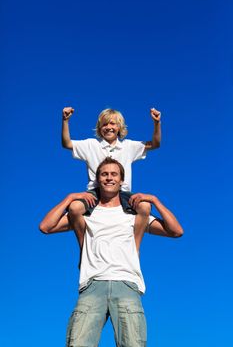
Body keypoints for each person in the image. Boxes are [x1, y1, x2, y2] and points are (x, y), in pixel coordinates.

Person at [39, 157, 183, 346]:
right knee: (78, 343)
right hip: (92, 284)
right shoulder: (87, 213)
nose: (109, 178)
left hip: (127, 284)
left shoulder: (132, 214)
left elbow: (176, 231)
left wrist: (155, 200)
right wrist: (69, 198)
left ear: (121, 180)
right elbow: (45, 226)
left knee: (132, 343)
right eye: (104, 174)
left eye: (114, 174)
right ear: (98, 179)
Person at [61, 106, 162, 247]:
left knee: (145, 207)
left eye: (112, 123)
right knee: (75, 207)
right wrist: (65, 121)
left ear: (119, 127)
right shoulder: (91, 144)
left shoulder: (128, 146)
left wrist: (157, 123)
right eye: (104, 124)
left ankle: (135, 248)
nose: (108, 127)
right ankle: (84, 248)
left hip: (123, 193)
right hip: (95, 193)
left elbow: (155, 144)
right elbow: (67, 143)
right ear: (99, 127)